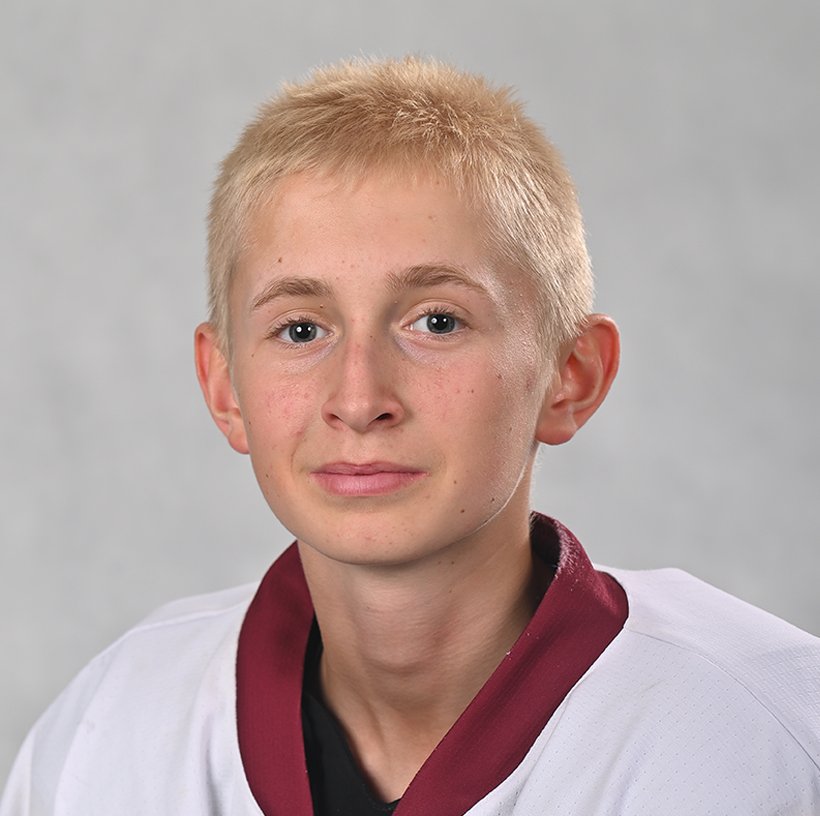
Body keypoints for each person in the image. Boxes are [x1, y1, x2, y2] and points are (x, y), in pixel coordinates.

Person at [2, 56, 818, 816]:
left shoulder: (758, 740)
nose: (360, 401)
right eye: (300, 330)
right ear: (225, 389)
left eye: (437, 321)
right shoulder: (111, 731)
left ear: (570, 375)